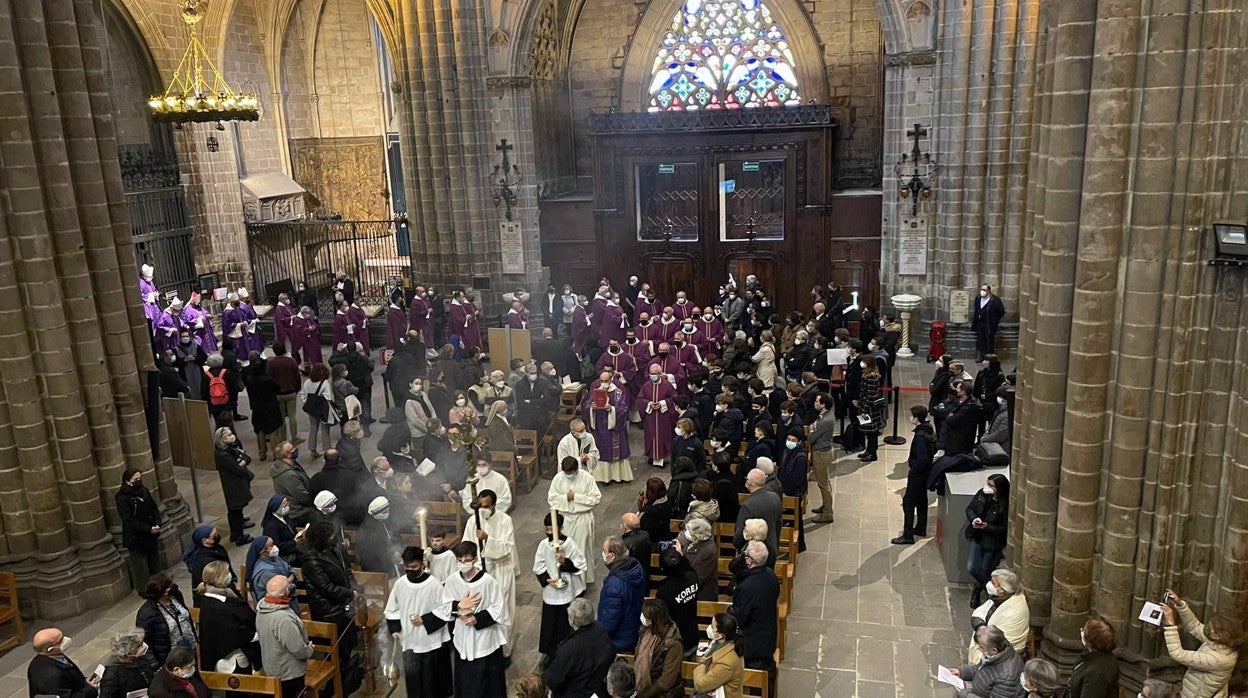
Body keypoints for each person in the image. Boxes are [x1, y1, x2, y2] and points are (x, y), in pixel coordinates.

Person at [433, 541, 509, 698]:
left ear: (474, 559)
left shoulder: (488, 581)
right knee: (467, 685)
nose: (462, 563)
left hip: (485, 639)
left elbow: (499, 608)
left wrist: (477, 618)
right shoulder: (452, 580)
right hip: (463, 638)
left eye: (466, 560)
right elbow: (443, 606)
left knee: (488, 686)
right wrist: (458, 605)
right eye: (459, 560)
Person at [385, 546, 454, 698]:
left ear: (422, 564)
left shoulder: (434, 584)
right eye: (407, 568)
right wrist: (395, 629)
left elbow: (445, 608)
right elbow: (392, 609)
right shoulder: (400, 583)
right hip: (409, 638)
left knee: (430, 680)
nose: (411, 571)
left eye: (414, 567)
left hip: (429, 639)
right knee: (413, 677)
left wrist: (424, 619)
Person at [1160, 587, 1243, 698]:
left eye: (1215, 631)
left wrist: (1170, 625)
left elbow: (1178, 654)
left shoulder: (1220, 660)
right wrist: (1180, 604)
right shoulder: (1220, 643)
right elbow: (1195, 626)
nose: (1210, 631)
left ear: (1225, 635)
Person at [466, 489, 516, 661]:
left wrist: (488, 539)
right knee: (483, 609)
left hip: (500, 570)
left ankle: (505, 651)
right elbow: (467, 545)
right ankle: (487, 647)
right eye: (481, 506)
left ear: (494, 505)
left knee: (503, 609)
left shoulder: (505, 520)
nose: (483, 509)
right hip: (480, 571)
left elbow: (507, 548)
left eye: (486, 506)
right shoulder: (473, 520)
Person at [534, 511, 588, 660]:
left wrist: (565, 562)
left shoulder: (569, 544)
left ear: (561, 528)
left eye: (552, 529)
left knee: (565, 625)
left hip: (567, 591)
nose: (549, 533)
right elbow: (538, 566)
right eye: (547, 529)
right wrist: (547, 579)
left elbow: (581, 564)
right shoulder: (543, 544)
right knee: (550, 624)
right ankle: (551, 653)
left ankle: (567, 651)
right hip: (551, 593)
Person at [542, 597, 616, 698]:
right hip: (599, 687)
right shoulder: (601, 629)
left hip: (578, 692)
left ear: (572, 621)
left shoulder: (569, 649)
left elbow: (552, 679)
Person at [729, 540, 779, 688]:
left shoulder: (746, 587)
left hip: (753, 642)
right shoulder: (771, 575)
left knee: (755, 680)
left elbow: (740, 618)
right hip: (768, 634)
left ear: (749, 561)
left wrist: (731, 612)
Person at [255, 576, 314, 698]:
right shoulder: (283, 619)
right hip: (288, 673)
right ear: (287, 591)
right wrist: (309, 649)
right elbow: (298, 649)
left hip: (272, 668)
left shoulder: (262, 608)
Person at [548, 456, 602, 584]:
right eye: (566, 473)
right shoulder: (558, 478)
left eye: (571, 473)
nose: (569, 475)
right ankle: (567, 580)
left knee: (581, 550)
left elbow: (595, 498)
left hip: (581, 519)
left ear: (576, 469)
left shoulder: (586, 478)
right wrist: (566, 497)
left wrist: (576, 497)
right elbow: (552, 499)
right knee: (565, 551)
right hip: (566, 519)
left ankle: (581, 582)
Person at [893, 405, 936, 545]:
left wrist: (913, 470)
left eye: (912, 416)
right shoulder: (929, 431)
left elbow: (922, 458)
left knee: (908, 502)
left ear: (916, 418)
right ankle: (921, 527)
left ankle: (907, 534)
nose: (910, 418)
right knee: (921, 500)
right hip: (926, 473)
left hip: (918, 474)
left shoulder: (920, 437)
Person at [966, 474, 1010, 607]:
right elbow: (970, 509)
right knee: (972, 567)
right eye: (988, 484)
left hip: (992, 542)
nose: (988, 487)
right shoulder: (982, 494)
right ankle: (991, 591)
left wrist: (988, 526)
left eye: (991, 485)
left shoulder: (1005, 504)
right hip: (977, 536)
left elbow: (1005, 528)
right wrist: (974, 519)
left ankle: (980, 590)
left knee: (985, 569)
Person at [967, 568, 1030, 662]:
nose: (989, 584)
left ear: (1002, 589)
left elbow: (997, 644)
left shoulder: (1014, 610)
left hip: (1002, 657)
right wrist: (980, 627)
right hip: (987, 638)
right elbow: (979, 613)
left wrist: (981, 634)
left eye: (993, 583)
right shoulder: (998, 598)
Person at [116, 467, 162, 592]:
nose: (138, 481)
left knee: (155, 563)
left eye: (139, 478)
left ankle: (158, 586)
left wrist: (157, 523)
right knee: (140, 567)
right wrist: (148, 529)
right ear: (127, 481)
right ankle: (144, 590)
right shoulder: (122, 498)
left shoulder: (143, 491)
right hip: (136, 537)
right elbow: (128, 520)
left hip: (150, 534)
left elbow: (153, 508)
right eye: (135, 479)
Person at [135, 573, 195, 666]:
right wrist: (155, 665)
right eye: (168, 586)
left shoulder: (176, 596)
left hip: (189, 647)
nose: (171, 588)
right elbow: (145, 642)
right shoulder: (147, 613)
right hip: (170, 656)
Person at [583, 369, 633, 483]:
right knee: (602, 450)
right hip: (601, 427)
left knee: (617, 451)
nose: (603, 383)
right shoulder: (596, 392)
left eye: (606, 380)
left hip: (615, 429)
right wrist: (592, 408)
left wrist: (612, 409)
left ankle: (619, 476)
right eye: (601, 380)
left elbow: (624, 409)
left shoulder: (618, 392)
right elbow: (586, 405)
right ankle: (604, 477)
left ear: (611, 380)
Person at [599, 535, 646, 653]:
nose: (602, 554)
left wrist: (600, 633)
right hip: (633, 626)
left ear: (612, 556)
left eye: (604, 551)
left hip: (619, 639)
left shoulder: (614, 585)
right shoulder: (635, 567)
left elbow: (610, 620)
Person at [950, 626, 1025, 698]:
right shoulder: (995, 655)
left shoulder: (1007, 678)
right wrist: (962, 672)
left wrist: (966, 695)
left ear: (994, 650)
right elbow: (981, 669)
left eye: (982, 647)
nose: (979, 648)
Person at [634, 598, 684, 698]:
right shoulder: (646, 630)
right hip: (644, 687)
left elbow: (666, 681)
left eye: (646, 616)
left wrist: (644, 695)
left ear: (654, 619)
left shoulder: (673, 643)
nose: (642, 617)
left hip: (664, 693)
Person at [27, 628, 99, 698]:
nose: (66, 640)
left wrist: (83, 681)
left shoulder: (53, 655)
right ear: (50, 650)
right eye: (60, 641)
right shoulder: (52, 676)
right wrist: (91, 689)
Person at [212, 427, 255, 545]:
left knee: (237, 509)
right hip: (233, 485)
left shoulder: (230, 448)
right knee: (235, 510)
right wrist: (242, 462)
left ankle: (238, 528)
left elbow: (245, 457)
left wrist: (242, 461)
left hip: (237, 483)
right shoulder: (222, 455)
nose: (232, 436)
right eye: (228, 435)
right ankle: (239, 537)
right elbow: (238, 469)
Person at [655, 546, 700, 656]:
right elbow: (689, 568)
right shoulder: (692, 577)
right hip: (693, 633)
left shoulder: (664, 592)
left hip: (677, 641)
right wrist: (681, 556)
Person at [692, 613, 745, 698]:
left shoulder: (726, 663)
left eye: (712, 627)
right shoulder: (721, 643)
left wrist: (702, 664)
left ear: (720, 635)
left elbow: (700, 684)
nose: (709, 628)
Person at [1068, 617, 1119, 698]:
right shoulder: (1093, 654)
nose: (1081, 630)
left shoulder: (1097, 673)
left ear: (1091, 641)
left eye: (1084, 630)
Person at [246, 536, 298, 614]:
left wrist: (286, 581)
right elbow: (281, 590)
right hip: (276, 609)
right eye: (272, 545)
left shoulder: (274, 558)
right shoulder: (265, 572)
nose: (275, 547)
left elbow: (290, 568)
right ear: (263, 551)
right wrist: (290, 580)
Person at [97, 628, 155, 698]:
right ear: (127, 652)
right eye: (139, 646)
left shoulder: (140, 657)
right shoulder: (112, 675)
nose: (143, 646)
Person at [245, 357, 284, 459]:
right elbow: (277, 388)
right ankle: (276, 453)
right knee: (273, 431)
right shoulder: (268, 379)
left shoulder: (249, 379)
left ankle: (262, 453)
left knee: (260, 431)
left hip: (257, 408)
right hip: (270, 406)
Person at [806, 392, 837, 523]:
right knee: (824, 481)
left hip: (821, 454)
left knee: (823, 484)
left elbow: (812, 437)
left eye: (818, 401)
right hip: (823, 452)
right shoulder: (826, 415)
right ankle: (826, 506)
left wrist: (808, 432)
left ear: (823, 405)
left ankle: (828, 513)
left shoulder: (826, 420)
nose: (815, 403)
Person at [735, 469, 781, 557]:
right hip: (772, 548)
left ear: (749, 483)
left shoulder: (748, 506)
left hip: (754, 553)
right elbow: (778, 523)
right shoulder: (775, 497)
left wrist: (737, 545)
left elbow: (740, 533)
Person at [934, 379, 982, 458]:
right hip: (958, 438)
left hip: (960, 441)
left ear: (963, 392)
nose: (956, 390)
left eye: (958, 388)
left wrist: (949, 416)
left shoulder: (967, 407)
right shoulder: (964, 403)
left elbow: (951, 420)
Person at [270, 441, 314, 523]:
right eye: (292, 449)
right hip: (298, 512)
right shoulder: (289, 475)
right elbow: (302, 496)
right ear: (286, 455)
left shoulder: (288, 464)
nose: (295, 449)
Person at [302, 362, 339, 459]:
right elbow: (328, 397)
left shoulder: (307, 382)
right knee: (325, 430)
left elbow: (303, 395)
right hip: (323, 410)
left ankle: (312, 450)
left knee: (313, 428)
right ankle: (327, 451)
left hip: (312, 409)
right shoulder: (325, 383)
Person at [182, 524, 234, 592]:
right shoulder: (204, 560)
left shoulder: (218, 548)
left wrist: (234, 580)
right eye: (214, 535)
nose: (217, 535)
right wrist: (232, 587)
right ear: (205, 540)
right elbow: (217, 581)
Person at [357, 496, 401, 575]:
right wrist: (391, 555)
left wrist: (398, 550)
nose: (387, 514)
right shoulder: (368, 529)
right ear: (376, 513)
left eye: (388, 511)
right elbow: (372, 553)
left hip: (391, 566)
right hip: (377, 571)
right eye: (384, 512)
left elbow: (395, 537)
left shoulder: (386, 521)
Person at [677, 518, 719, 602]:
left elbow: (697, 577)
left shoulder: (708, 550)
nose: (686, 533)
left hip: (700, 594)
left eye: (688, 531)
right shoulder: (693, 541)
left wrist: (681, 557)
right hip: (688, 588)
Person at [854, 356, 885, 462]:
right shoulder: (867, 374)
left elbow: (870, 395)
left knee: (872, 433)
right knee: (869, 432)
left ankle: (872, 453)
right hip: (865, 405)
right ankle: (869, 450)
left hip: (870, 409)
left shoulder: (871, 377)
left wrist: (864, 410)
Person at [515, 361, 560, 431]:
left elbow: (546, 399)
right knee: (526, 439)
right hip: (526, 417)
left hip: (540, 416)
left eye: (535, 373)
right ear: (526, 373)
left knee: (540, 437)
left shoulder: (542, 382)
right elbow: (520, 403)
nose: (534, 375)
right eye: (532, 373)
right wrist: (537, 403)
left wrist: (530, 401)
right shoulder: (520, 385)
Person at [261, 495, 302, 564]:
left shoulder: (284, 516)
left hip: (292, 546)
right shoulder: (271, 526)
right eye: (285, 505)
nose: (288, 506)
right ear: (277, 508)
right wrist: (294, 542)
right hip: (284, 555)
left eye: (287, 504)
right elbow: (277, 546)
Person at [971, 283, 1005, 360]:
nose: (982, 291)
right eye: (981, 289)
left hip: (989, 324)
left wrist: (994, 320)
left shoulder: (995, 300)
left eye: (984, 290)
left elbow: (1001, 311)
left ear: (989, 291)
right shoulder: (979, 298)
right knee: (981, 339)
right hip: (980, 323)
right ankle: (982, 355)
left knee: (989, 340)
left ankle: (989, 356)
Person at [637, 477, 675, 545]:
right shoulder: (667, 500)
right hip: (664, 533)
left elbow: (647, 530)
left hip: (656, 540)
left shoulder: (653, 511)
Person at [619, 512, 652, 583]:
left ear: (624, 526)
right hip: (644, 574)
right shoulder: (645, 535)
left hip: (631, 580)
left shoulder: (624, 544)